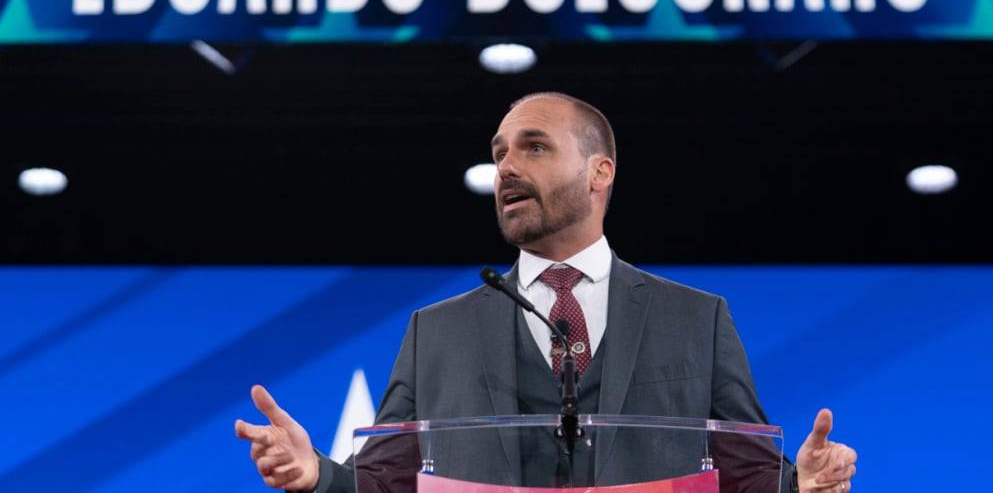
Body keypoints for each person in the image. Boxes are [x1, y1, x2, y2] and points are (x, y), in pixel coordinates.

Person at [235, 92, 858, 493]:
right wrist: (317, 474)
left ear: (599, 172)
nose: (506, 167)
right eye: (499, 153)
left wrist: (800, 484)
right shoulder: (437, 332)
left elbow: (743, 474)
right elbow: (387, 483)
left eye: (534, 147)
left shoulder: (698, 320)